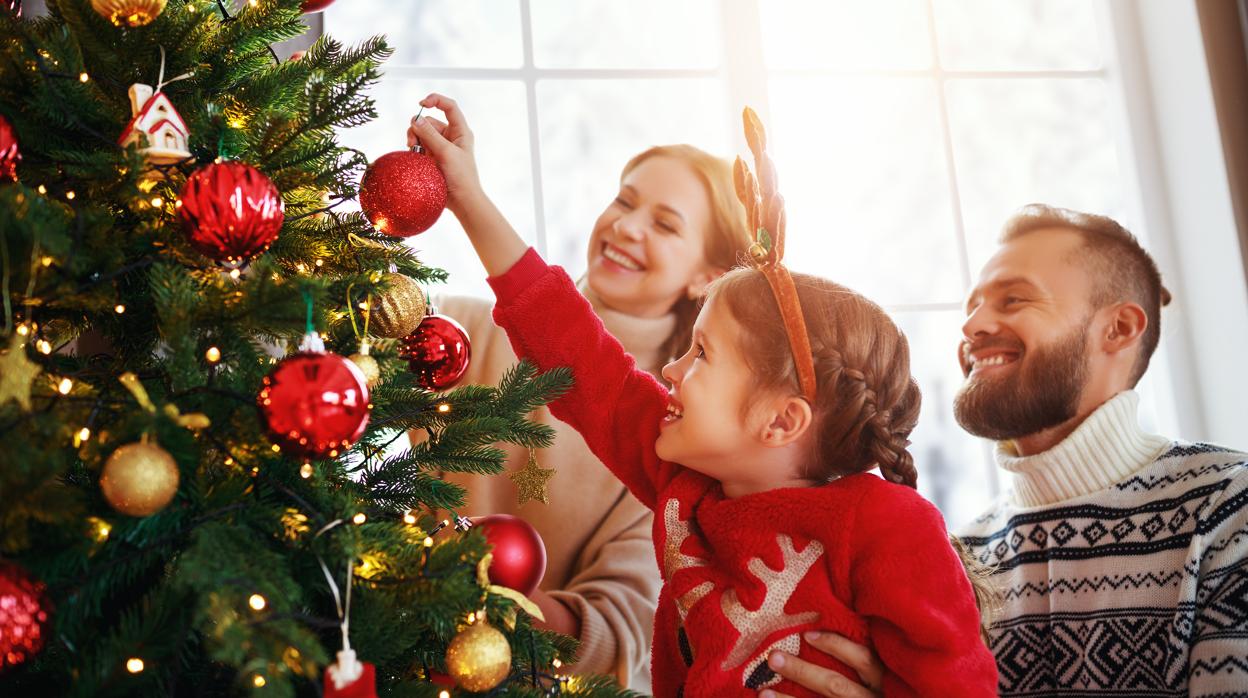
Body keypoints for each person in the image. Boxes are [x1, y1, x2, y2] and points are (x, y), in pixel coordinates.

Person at [410, 94, 998, 697]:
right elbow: (578, 355)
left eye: (702, 355)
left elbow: (959, 683)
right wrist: (470, 200)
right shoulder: (680, 480)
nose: (669, 369)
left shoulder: (888, 527)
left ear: (780, 420)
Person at [761, 204, 1248, 697]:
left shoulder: (1231, 511)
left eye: (1013, 300)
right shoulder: (958, 560)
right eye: (971, 307)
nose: (971, 326)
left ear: (1118, 329)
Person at [405, 105, 753, 689]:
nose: (627, 227)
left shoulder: (676, 431)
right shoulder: (457, 334)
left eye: (666, 224)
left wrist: (479, 598)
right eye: (624, 200)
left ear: (708, 277)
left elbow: (621, 633)